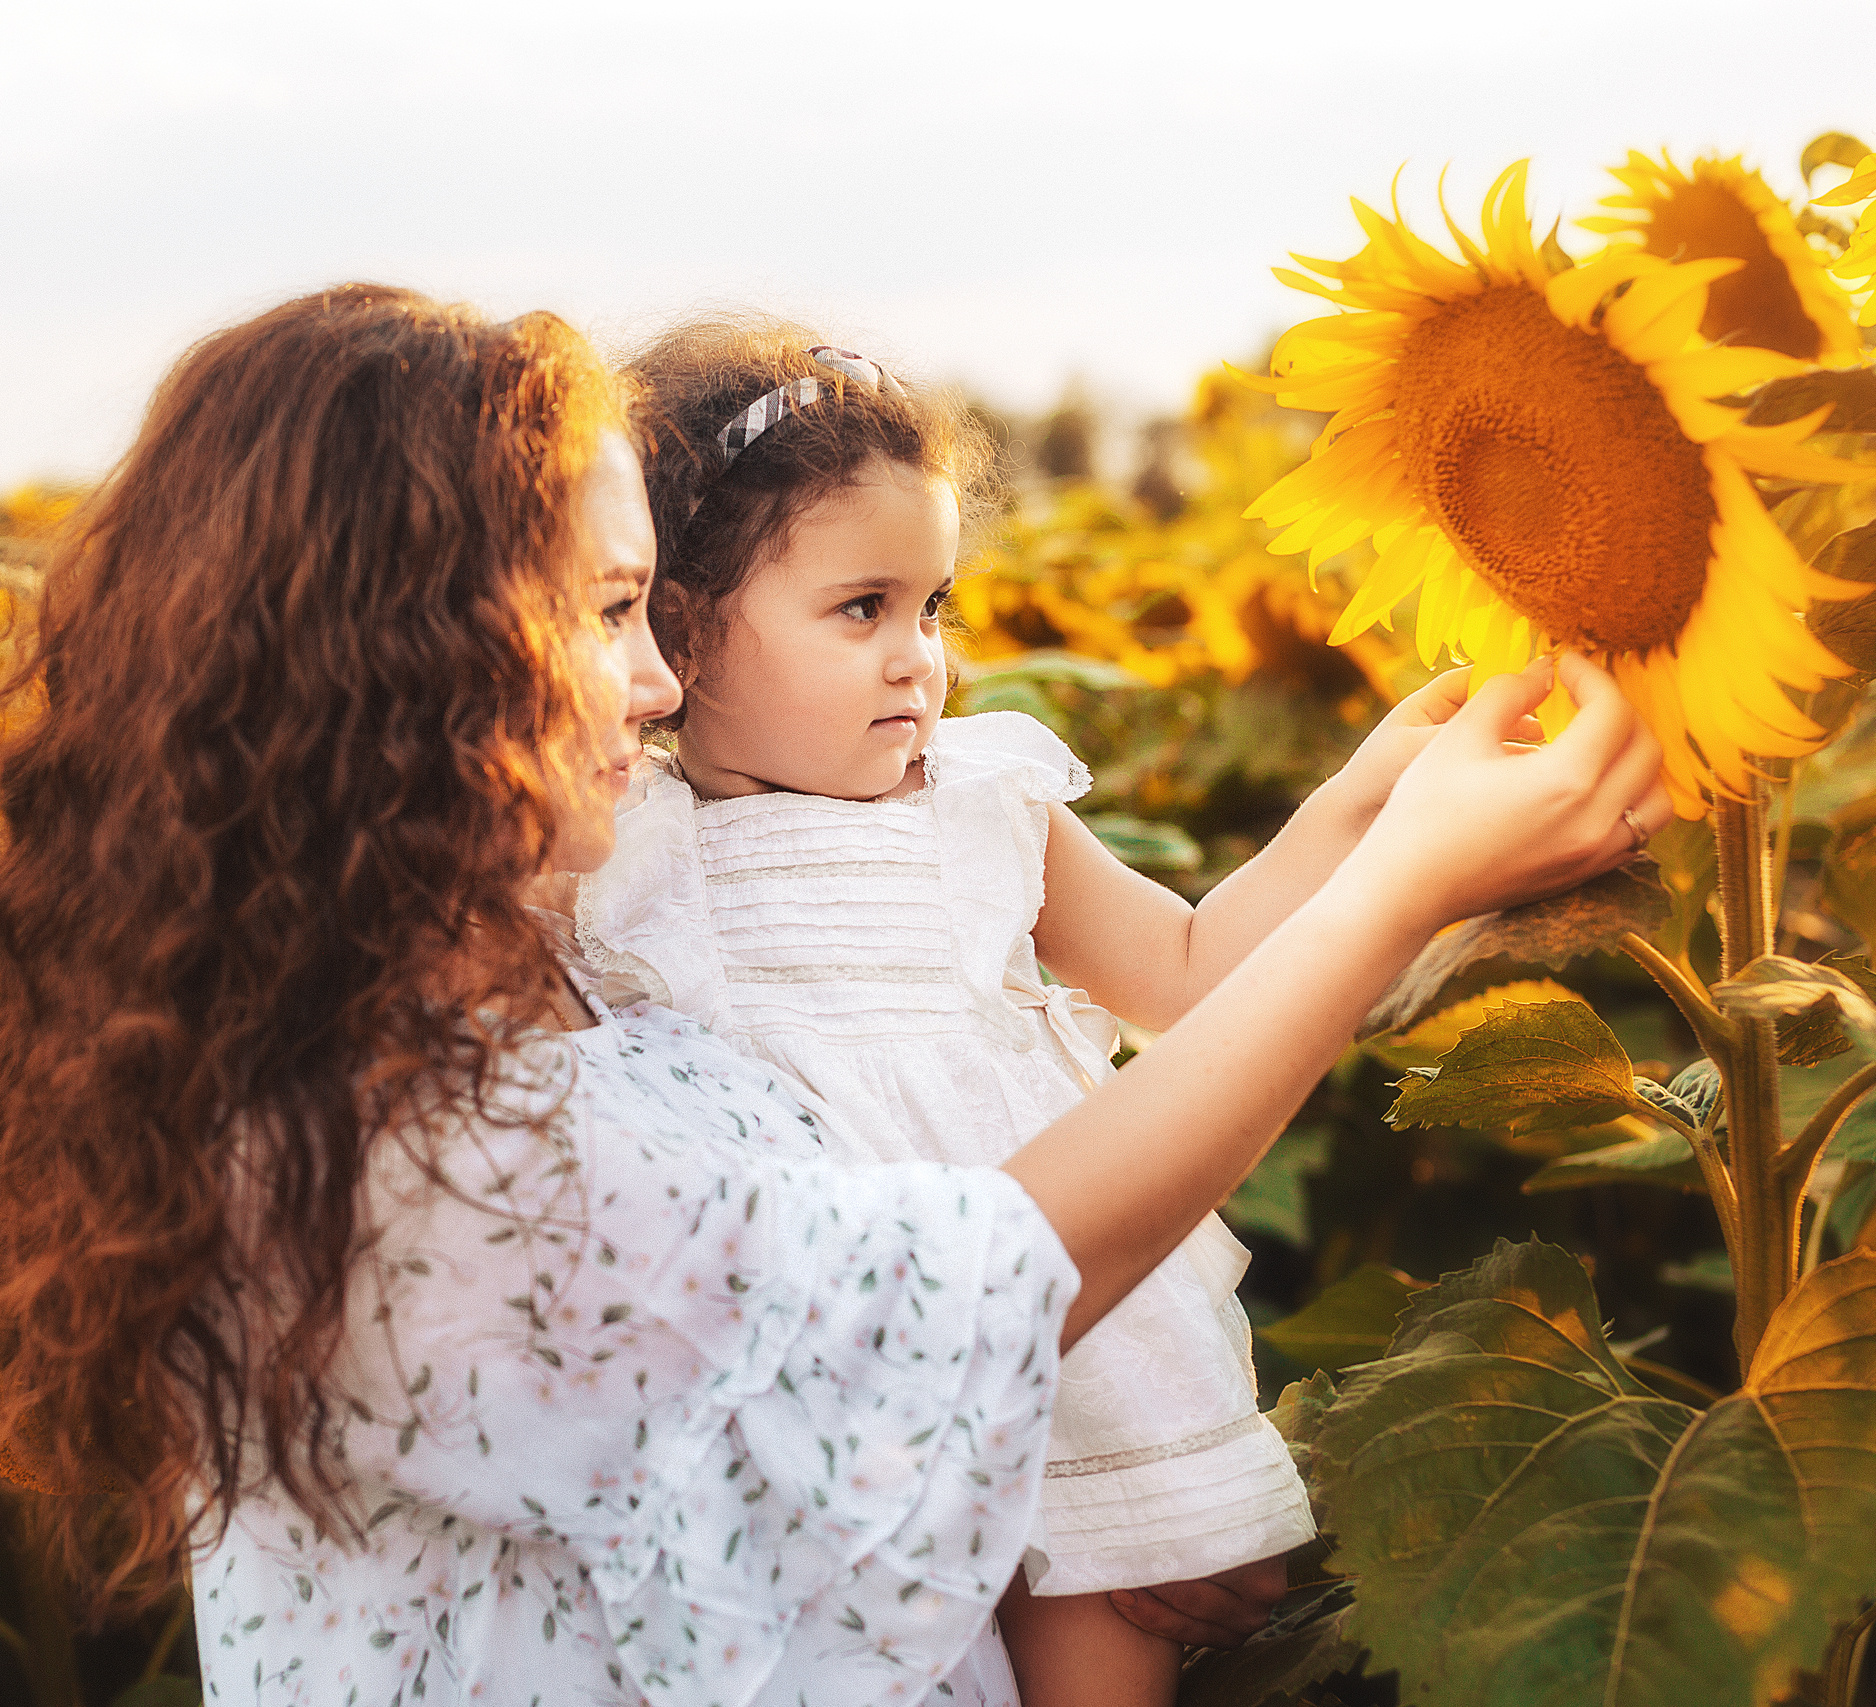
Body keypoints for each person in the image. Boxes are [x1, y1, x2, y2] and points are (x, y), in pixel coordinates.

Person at [0, 285, 1670, 1706]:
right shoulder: (393, 1155)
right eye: (603, 614)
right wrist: (1411, 882)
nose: (653, 690)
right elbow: (958, 1294)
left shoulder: (507, 978)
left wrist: (1092, 1509)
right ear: (392, 656)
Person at [574, 322, 1509, 1706]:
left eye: (934, 607)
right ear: (684, 626)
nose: (920, 661)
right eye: (861, 610)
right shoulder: (621, 848)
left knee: (1097, 1658)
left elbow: (1191, 971)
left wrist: (1365, 801)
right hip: (836, 1386)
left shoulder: (983, 805)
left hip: (1081, 1352)